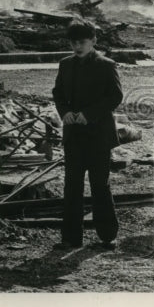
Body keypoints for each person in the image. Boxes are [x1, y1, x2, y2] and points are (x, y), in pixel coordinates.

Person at [51, 19, 124, 249]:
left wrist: (89, 114)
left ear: (93, 40)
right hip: (73, 135)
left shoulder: (106, 65)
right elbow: (58, 93)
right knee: (72, 185)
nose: (77, 47)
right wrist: (65, 113)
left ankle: (107, 235)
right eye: (73, 43)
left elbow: (115, 97)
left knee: (99, 184)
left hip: (98, 136)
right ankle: (71, 238)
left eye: (82, 42)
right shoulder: (65, 64)